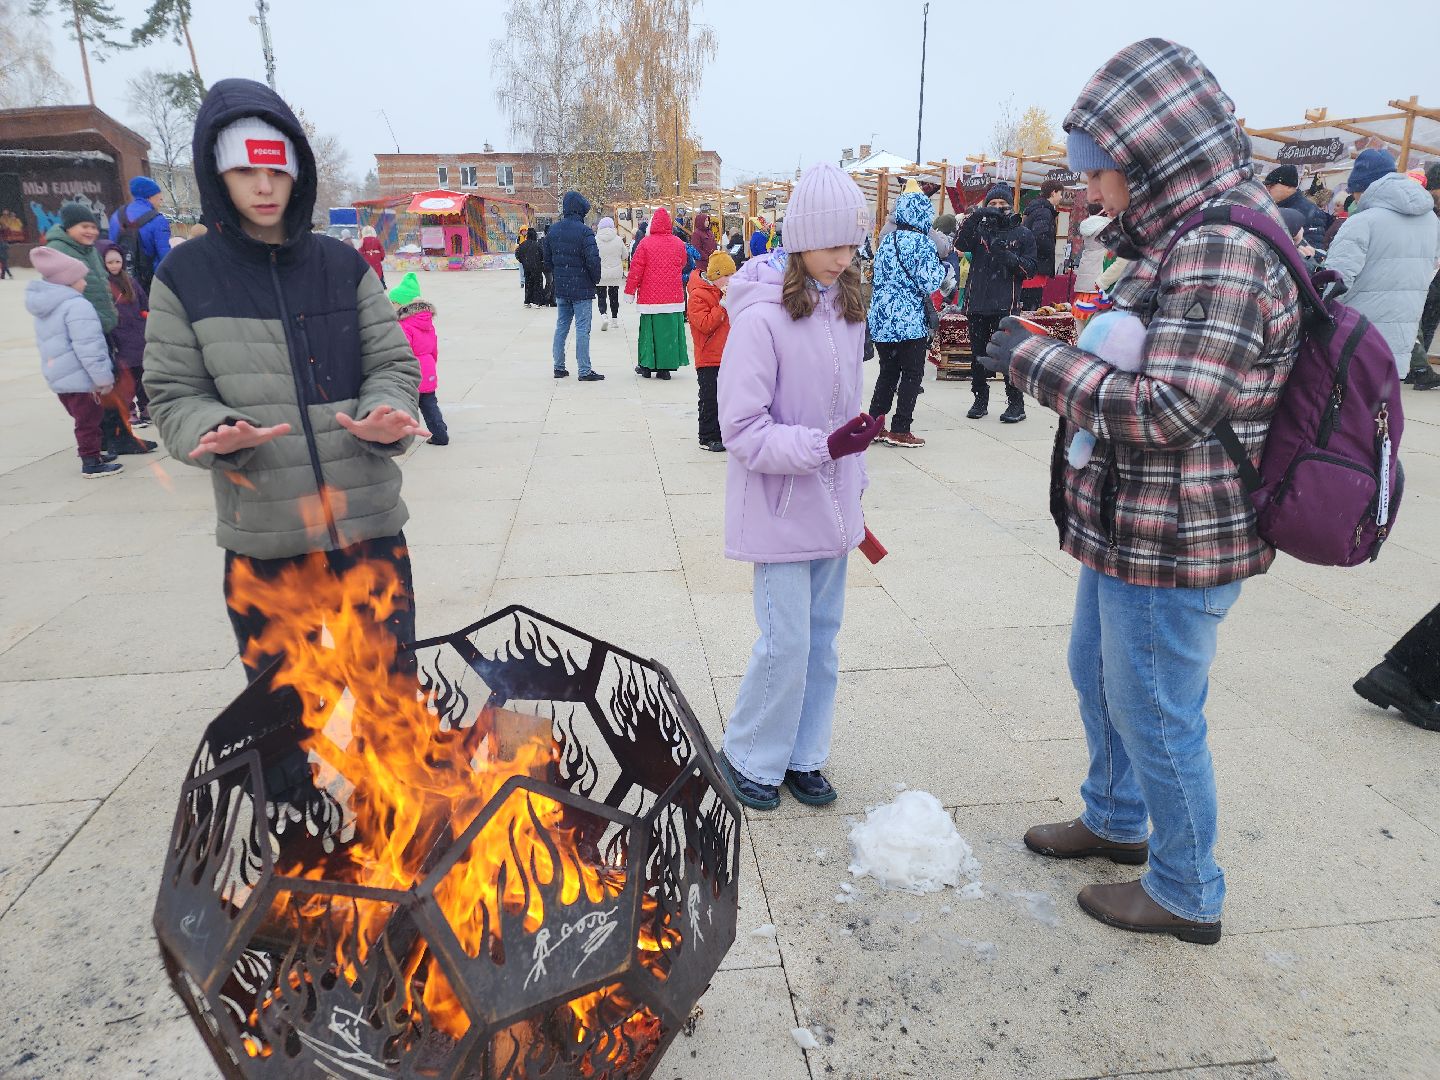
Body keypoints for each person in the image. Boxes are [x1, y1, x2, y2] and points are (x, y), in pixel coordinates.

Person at [977, 37, 1303, 945]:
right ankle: (1118, 817)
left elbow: (1173, 406)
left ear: (1153, 157)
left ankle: (1187, 887)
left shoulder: (1221, 248)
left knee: (1156, 708)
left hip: (1180, 533)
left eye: (1100, 173)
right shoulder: (1177, 235)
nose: (1090, 193)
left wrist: (1037, 362)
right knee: (1099, 672)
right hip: (1136, 519)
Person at [143, 77, 426, 679]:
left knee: (391, 696)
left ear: (298, 171)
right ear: (216, 174)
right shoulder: (184, 276)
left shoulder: (342, 266)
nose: (264, 186)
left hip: (368, 531)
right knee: (283, 712)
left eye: (276, 170)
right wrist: (214, 428)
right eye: (245, 171)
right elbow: (172, 394)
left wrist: (386, 410)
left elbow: (394, 363)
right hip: (265, 541)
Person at [716, 161, 881, 811]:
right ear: (802, 240)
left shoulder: (849, 310)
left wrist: (854, 468)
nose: (845, 257)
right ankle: (749, 753)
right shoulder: (760, 320)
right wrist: (824, 447)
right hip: (780, 507)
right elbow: (742, 428)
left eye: (852, 244)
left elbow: (844, 407)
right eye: (833, 244)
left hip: (832, 506)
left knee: (822, 640)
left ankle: (804, 753)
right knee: (785, 642)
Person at [1325, 148, 1440, 381]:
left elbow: (1336, 281)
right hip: (1402, 338)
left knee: (1347, 400)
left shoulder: (1362, 221)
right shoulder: (1430, 220)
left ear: (1361, 187)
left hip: (1357, 336)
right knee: (1382, 400)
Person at [26, 247, 123, 478]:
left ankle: (94, 454)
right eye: (81, 279)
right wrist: (103, 377)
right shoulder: (77, 306)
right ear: (67, 281)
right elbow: (89, 346)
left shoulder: (47, 307)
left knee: (84, 418)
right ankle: (91, 461)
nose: (85, 283)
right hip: (81, 378)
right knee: (89, 420)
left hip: (61, 376)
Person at [867, 189, 946, 448]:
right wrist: (943, 270)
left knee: (887, 373)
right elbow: (929, 282)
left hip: (882, 318)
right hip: (908, 319)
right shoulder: (923, 243)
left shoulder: (887, 240)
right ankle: (901, 429)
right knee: (911, 374)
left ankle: (874, 426)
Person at [956, 184, 1037, 422]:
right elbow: (960, 244)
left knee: (1008, 355)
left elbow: (1030, 269)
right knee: (978, 356)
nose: (998, 208)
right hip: (977, 304)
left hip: (1006, 305)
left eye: (1002, 204)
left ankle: (1016, 404)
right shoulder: (979, 231)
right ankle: (980, 399)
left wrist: (1007, 256)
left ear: (1011, 206)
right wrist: (976, 216)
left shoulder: (1023, 233)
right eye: (992, 204)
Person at [544, 190, 605, 382]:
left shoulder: (553, 230)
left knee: (561, 327)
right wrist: (594, 280)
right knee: (582, 329)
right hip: (582, 289)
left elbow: (547, 261)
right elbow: (593, 260)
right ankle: (584, 370)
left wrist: (560, 275)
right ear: (580, 210)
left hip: (562, 288)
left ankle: (558, 366)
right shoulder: (585, 232)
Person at [624, 207, 689, 380]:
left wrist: (630, 291)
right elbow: (683, 263)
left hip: (650, 297)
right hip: (673, 297)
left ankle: (647, 366)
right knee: (669, 333)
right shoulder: (678, 243)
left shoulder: (645, 243)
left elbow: (636, 269)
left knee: (649, 333)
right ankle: (665, 368)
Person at [388, 272, 448, 446]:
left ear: (402, 304)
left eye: (393, 302)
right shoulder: (427, 322)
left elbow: (402, 351)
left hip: (410, 372)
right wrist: (431, 366)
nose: (391, 305)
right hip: (427, 368)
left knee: (404, 406)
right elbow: (434, 348)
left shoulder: (403, 325)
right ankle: (440, 434)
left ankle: (398, 438)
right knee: (429, 405)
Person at [100, 240, 151, 428]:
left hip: (137, 334)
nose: (114, 266)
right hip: (118, 337)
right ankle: (129, 410)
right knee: (126, 377)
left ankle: (145, 406)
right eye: (110, 262)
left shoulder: (131, 282)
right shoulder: (102, 284)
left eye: (117, 262)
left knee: (142, 373)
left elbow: (144, 303)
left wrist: (145, 318)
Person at [688, 250, 734, 452]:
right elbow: (705, 324)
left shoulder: (726, 293)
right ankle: (708, 436)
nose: (731, 280)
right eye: (727, 275)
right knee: (710, 399)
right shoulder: (699, 295)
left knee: (727, 398)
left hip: (728, 355)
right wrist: (722, 306)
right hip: (708, 358)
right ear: (715, 276)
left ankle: (724, 433)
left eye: (733, 275)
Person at [1406, 164, 1440, 388]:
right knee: (1419, 320)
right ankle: (1418, 368)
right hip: (1424, 271)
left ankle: (1418, 367)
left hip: (1431, 272)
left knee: (1428, 320)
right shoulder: (1424, 209)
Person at [107, 175, 171, 291]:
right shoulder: (157, 219)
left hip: (122, 280)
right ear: (150, 196)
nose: (161, 201)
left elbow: (112, 246)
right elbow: (165, 256)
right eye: (159, 196)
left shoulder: (116, 216)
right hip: (149, 282)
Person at [1020, 179, 1066, 308]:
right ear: (1053, 192)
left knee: (1026, 306)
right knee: (1031, 308)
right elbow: (1040, 237)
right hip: (1037, 266)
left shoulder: (1035, 209)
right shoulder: (1044, 212)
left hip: (1030, 265)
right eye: (1060, 194)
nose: (1061, 197)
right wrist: (1049, 252)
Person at [1264, 164, 1327, 248]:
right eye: (1266, 186)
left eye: (1271, 186)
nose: (1267, 190)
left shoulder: (1311, 211)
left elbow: (1312, 249)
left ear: (1288, 186)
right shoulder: (1271, 207)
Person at [594, 215, 626, 330]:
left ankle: (604, 316)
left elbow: (592, 256)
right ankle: (615, 320)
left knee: (601, 296)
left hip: (600, 273)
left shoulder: (596, 239)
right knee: (614, 296)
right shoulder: (618, 239)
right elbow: (625, 255)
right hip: (615, 273)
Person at [515, 227, 545, 307]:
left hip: (527, 268)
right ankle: (538, 301)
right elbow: (542, 255)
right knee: (538, 284)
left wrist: (523, 262)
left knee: (528, 283)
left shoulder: (523, 244)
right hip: (537, 267)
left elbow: (517, 254)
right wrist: (540, 262)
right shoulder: (537, 245)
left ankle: (527, 301)